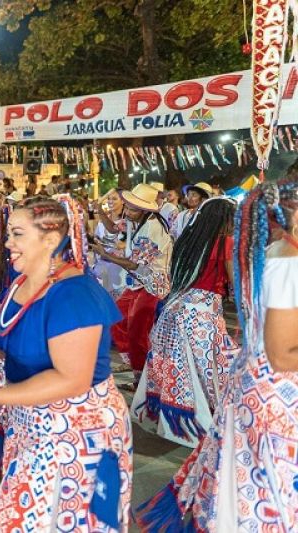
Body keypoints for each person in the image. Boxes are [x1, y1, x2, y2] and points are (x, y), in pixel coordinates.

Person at [0, 197, 132, 531]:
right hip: (32, 427)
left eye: (17, 234)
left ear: (50, 240)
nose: (7, 243)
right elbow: (10, 347)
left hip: (79, 434)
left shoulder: (74, 294)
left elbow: (71, 379)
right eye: (8, 234)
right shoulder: (21, 284)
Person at [137, 176, 298, 532]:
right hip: (265, 381)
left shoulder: (196, 240)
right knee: (206, 377)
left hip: (182, 314)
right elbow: (281, 350)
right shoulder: (282, 259)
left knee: (196, 380)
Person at [131, 197, 238, 448]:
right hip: (200, 317)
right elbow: (237, 283)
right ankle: (201, 424)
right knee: (213, 369)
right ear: (225, 219)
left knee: (178, 370)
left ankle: (171, 420)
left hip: (173, 312)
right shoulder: (226, 243)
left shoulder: (188, 241)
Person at [92, 184, 173, 385]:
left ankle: (144, 380)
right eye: (127, 207)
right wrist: (99, 211)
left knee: (138, 332)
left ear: (145, 210)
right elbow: (113, 228)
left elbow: (134, 264)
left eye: (131, 208)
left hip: (152, 286)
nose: (127, 212)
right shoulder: (135, 221)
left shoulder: (153, 228)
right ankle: (138, 366)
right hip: (137, 283)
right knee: (116, 318)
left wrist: (105, 255)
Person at [92, 188, 127, 299]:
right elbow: (96, 245)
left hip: (119, 275)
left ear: (123, 201)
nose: (110, 201)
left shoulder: (127, 223)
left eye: (114, 199)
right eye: (109, 199)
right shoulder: (101, 223)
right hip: (101, 273)